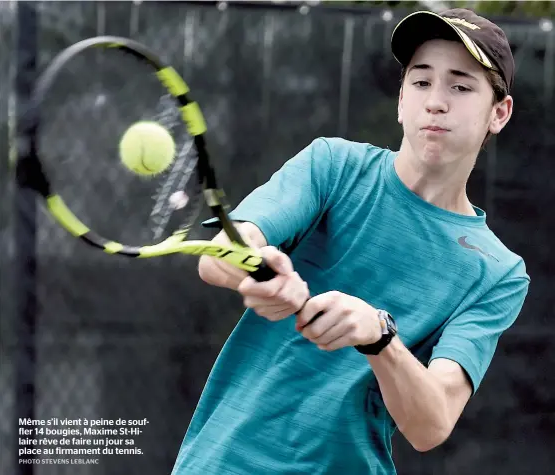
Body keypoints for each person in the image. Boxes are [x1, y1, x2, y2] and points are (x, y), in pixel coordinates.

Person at [171, 8, 530, 475]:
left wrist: (379, 336)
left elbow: (432, 424)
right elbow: (222, 253)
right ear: (401, 100)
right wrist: (260, 268)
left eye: (460, 86)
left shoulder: (497, 272)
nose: (436, 101)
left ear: (498, 113)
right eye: (421, 83)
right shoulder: (332, 166)